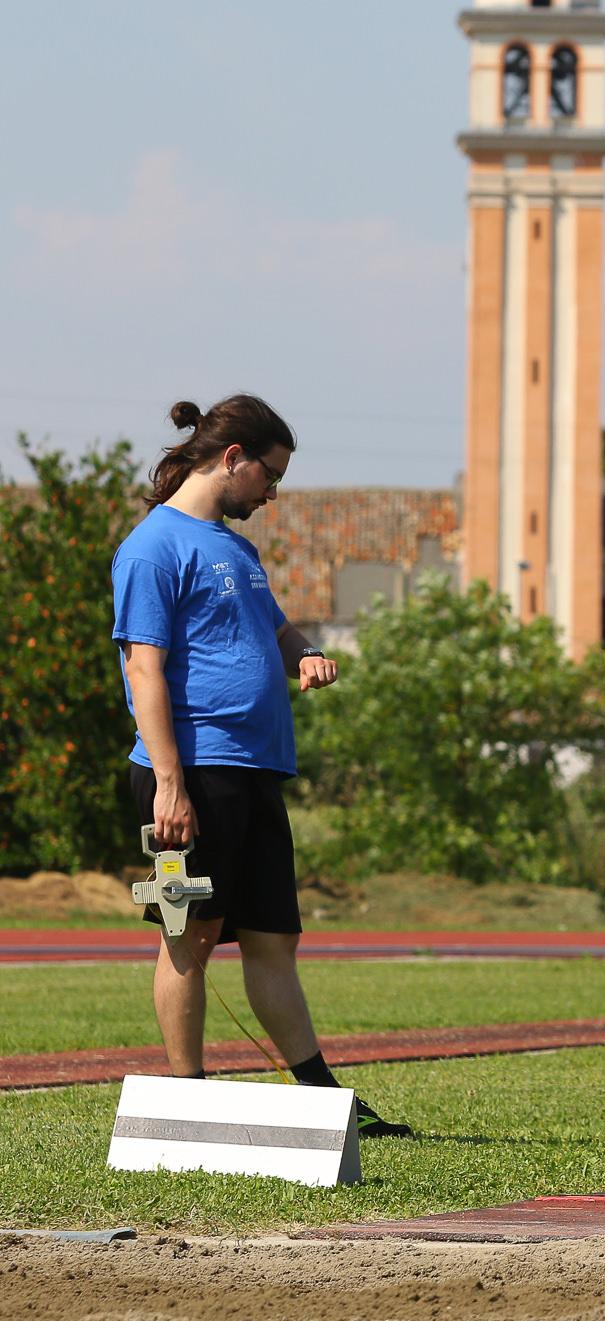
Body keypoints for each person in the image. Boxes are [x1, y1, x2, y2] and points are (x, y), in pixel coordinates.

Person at [112, 396, 411, 1137]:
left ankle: (323, 1098)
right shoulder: (152, 547)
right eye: (269, 476)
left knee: (275, 936)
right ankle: (188, 1101)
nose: (272, 493)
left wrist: (306, 652)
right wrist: (171, 785)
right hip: (192, 772)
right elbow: (144, 669)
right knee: (191, 936)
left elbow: (275, 630)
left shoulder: (236, 551)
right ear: (232, 457)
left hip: (253, 767)